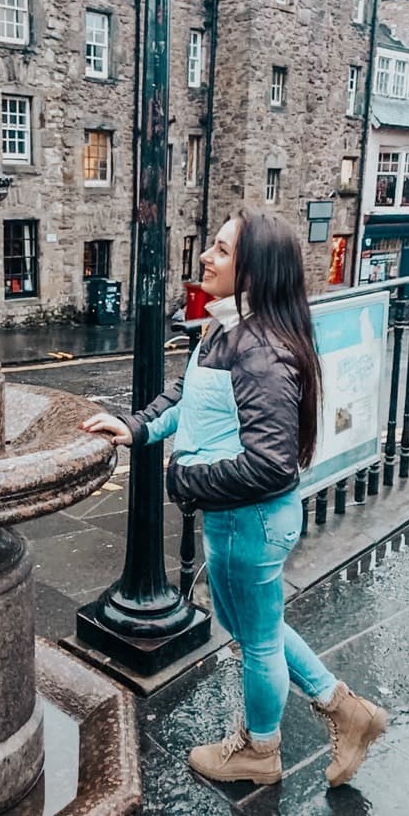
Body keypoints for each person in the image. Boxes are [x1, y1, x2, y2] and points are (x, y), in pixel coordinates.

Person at [82, 209, 387, 787]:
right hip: (239, 520)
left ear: (253, 271)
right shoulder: (227, 325)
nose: (206, 257)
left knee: (257, 640)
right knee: (254, 627)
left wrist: (182, 481)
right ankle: (346, 710)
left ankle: (260, 751)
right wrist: (136, 427)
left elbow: (270, 466)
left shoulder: (261, 350)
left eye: (220, 250)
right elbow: (189, 395)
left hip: (251, 521)